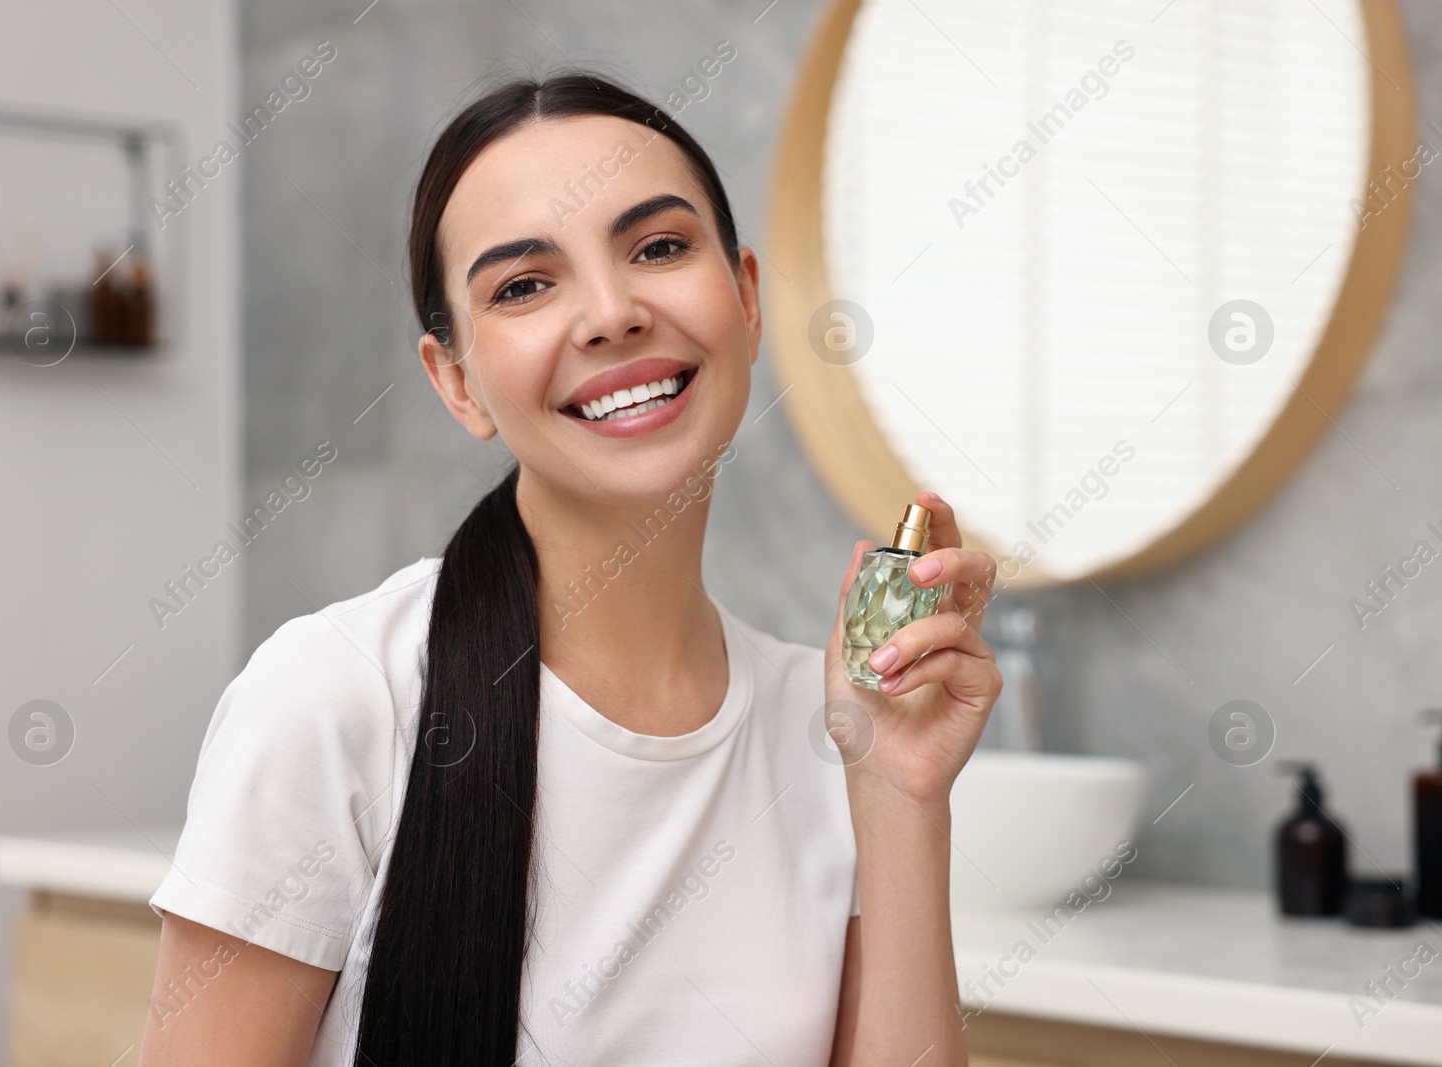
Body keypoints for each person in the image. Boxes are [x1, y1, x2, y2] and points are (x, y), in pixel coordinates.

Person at [139, 70, 1001, 1067]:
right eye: (523, 284)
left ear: (749, 298)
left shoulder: (828, 730)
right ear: (456, 381)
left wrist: (900, 792)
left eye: (660, 246)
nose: (611, 311)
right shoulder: (335, 699)